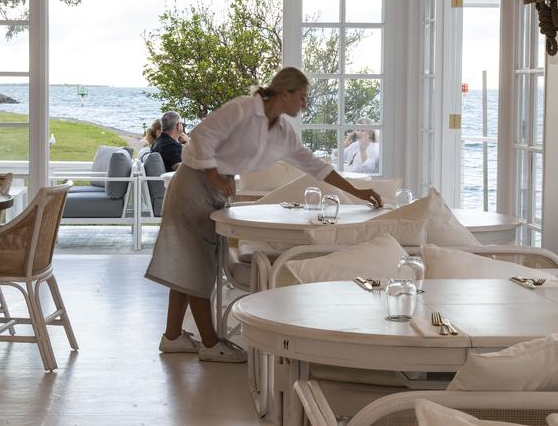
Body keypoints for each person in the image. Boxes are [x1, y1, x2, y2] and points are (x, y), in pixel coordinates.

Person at [144, 67, 382, 363]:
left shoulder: (281, 133)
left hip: (214, 190)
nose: (304, 105)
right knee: (196, 266)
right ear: (286, 94)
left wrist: (359, 191)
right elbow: (202, 136)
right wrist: (216, 175)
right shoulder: (243, 109)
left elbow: (316, 167)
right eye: (302, 97)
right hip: (193, 184)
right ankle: (209, 343)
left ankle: (172, 337)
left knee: (188, 264)